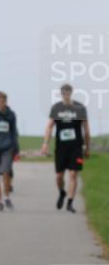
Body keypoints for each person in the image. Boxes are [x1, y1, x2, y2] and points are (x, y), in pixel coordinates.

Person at [41, 84, 91, 213]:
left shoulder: (80, 108)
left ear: (71, 93)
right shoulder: (56, 108)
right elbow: (49, 126)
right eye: (64, 93)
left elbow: (86, 129)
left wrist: (87, 147)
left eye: (68, 93)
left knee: (73, 174)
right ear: (61, 94)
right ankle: (62, 192)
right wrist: (45, 143)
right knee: (59, 176)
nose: (66, 95)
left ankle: (70, 202)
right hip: (61, 148)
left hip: (76, 147)